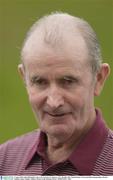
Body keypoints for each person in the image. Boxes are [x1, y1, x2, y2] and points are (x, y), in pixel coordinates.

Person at [0, 12, 113, 176]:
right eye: (40, 82)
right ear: (24, 78)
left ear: (99, 79)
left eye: (68, 81)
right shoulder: (5, 161)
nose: (54, 102)